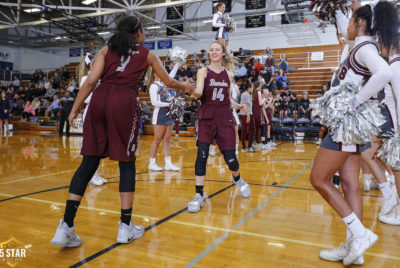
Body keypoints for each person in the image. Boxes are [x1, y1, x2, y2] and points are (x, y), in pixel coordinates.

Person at [50, 16, 193, 247]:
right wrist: (185, 86)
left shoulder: (107, 49)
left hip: (99, 100)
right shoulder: (148, 54)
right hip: (123, 102)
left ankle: (66, 226)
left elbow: (90, 82)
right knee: (126, 163)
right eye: (143, 30)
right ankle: (125, 227)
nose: (145, 34)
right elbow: (167, 81)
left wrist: (75, 108)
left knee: (88, 163)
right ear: (137, 33)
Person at [311, 4, 393, 266]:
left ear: (358, 23)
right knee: (350, 185)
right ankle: (353, 248)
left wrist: (354, 102)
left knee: (319, 179)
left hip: (346, 127)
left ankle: (359, 235)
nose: (346, 26)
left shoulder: (366, 49)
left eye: (349, 22)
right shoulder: (358, 46)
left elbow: (385, 72)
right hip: (351, 128)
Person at [187, 42, 249, 213]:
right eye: (211, 50)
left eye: (217, 50)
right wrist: (188, 89)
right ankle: (198, 194)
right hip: (206, 115)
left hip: (224, 116)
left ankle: (238, 179)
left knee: (231, 159)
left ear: (223, 53)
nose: (213, 52)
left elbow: (228, 98)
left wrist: (239, 106)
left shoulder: (228, 75)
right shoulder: (203, 71)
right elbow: (199, 92)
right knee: (202, 154)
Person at [148, 62, 181, 171]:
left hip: (169, 114)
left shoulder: (163, 83)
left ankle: (168, 163)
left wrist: (177, 63)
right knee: (157, 140)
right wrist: (169, 104)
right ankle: (152, 163)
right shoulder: (153, 86)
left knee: (167, 139)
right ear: (155, 72)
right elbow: (154, 102)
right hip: (160, 114)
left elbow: (170, 76)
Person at [239, 80, 256, 152]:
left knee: (245, 130)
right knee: (249, 130)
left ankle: (245, 146)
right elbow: (246, 105)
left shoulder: (244, 94)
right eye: (252, 88)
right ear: (248, 88)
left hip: (244, 114)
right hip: (246, 114)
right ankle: (248, 146)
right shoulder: (247, 95)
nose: (252, 89)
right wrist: (248, 116)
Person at [252, 81, 269, 150]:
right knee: (262, 126)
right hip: (258, 110)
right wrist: (265, 99)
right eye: (260, 85)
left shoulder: (252, 92)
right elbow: (260, 103)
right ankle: (263, 144)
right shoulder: (258, 91)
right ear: (258, 86)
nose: (261, 86)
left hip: (253, 110)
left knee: (256, 127)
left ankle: (256, 142)